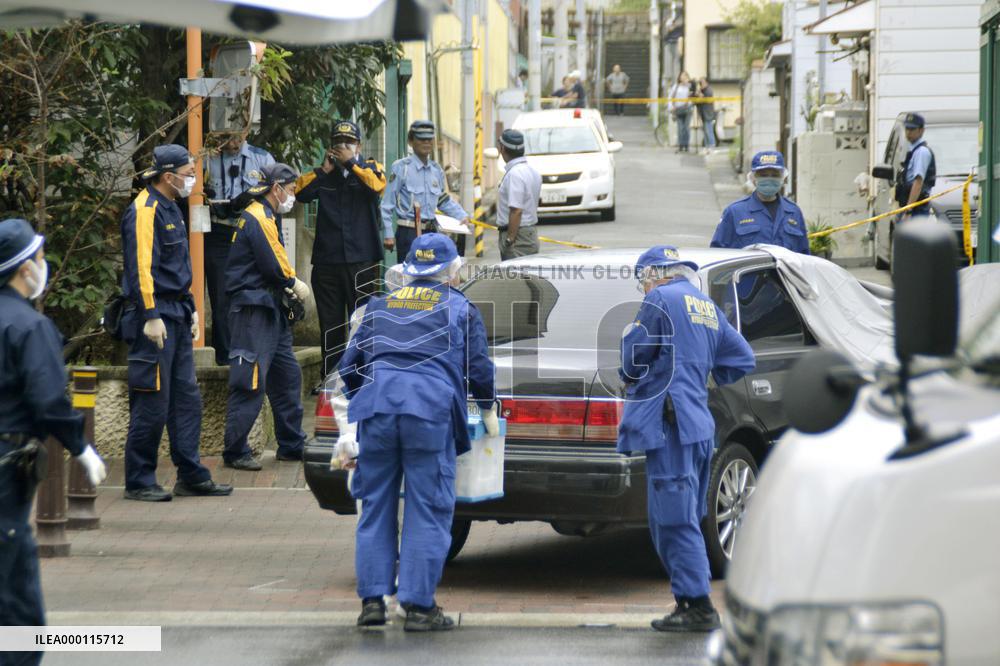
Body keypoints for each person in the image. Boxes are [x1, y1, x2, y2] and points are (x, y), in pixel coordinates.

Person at [339, 233, 496, 632]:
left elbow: (348, 367)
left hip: (377, 411)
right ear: (451, 271)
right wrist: (488, 407)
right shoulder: (459, 307)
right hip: (429, 413)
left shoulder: (380, 306)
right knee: (428, 508)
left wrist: (369, 398)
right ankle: (419, 606)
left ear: (409, 270)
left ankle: (372, 603)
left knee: (375, 506)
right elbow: (478, 369)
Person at [618, 245, 754, 632]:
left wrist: (631, 353)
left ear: (653, 275)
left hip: (671, 425)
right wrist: (703, 377)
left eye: (641, 281)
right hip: (697, 425)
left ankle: (698, 606)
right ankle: (689, 602)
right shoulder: (705, 304)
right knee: (684, 516)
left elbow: (634, 358)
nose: (643, 290)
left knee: (673, 519)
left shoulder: (660, 298)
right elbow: (742, 358)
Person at [0, 218, 108, 666]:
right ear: (25, 268)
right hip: (7, 469)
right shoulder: (29, 326)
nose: (43, 265)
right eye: (40, 258)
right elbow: (48, 398)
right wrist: (81, 447)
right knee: (17, 605)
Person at [120, 144, 233, 501]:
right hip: (154, 319)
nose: (192, 180)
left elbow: (177, 267)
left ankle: (191, 473)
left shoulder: (171, 206)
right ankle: (139, 480)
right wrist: (150, 315)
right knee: (152, 400)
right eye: (187, 174)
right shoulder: (145, 210)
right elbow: (141, 269)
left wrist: (192, 309)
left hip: (178, 315)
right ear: (167, 177)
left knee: (186, 400)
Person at [222, 164, 311, 470]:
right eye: (291, 189)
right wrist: (294, 284)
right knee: (250, 380)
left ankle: (290, 443)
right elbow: (274, 264)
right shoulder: (258, 216)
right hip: (253, 310)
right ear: (277, 188)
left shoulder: (269, 215)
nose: (293, 195)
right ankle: (234, 450)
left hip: (270, 308)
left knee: (287, 376)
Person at [296, 120, 389, 377]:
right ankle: (333, 380)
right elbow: (299, 193)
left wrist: (351, 163)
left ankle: (365, 376)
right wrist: (323, 171)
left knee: (363, 322)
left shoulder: (370, 169)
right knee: (331, 326)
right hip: (328, 264)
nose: (344, 148)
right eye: (338, 144)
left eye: (349, 143)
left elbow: (378, 186)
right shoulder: (325, 175)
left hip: (363, 263)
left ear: (358, 145)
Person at [203, 130, 275, 366]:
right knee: (221, 296)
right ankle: (225, 358)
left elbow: (273, 194)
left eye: (237, 138)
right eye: (227, 138)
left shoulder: (261, 158)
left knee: (251, 292)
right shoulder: (207, 159)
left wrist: (248, 200)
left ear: (245, 133)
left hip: (250, 231)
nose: (232, 143)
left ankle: (251, 353)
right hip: (219, 231)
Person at [382, 120, 471, 265]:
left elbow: (443, 201)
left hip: (431, 234)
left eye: (429, 139)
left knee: (431, 276)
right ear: (411, 141)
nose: (426, 142)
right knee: (410, 277)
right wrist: (388, 234)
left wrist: (462, 215)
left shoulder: (436, 170)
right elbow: (387, 204)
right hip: (409, 232)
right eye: (421, 139)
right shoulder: (401, 168)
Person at [710, 150, 810, 255]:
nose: (769, 179)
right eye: (763, 174)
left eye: (774, 175)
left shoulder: (794, 212)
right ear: (753, 178)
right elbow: (717, 252)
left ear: (782, 178)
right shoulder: (735, 212)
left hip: (784, 272)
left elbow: (804, 256)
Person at [496, 129, 542, 260]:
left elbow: (516, 210)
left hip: (517, 236)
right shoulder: (532, 172)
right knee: (528, 277)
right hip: (529, 233)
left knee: (515, 278)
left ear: (502, 148)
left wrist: (510, 239)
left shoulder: (514, 174)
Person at [895, 112, 936, 219]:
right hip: (909, 206)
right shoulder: (912, 150)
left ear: (921, 130)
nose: (908, 132)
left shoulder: (921, 152)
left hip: (916, 210)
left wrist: (909, 210)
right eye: (907, 129)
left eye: (912, 129)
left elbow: (918, 182)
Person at [668, 72, 694, 153]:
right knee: (680, 128)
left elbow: (693, 97)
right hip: (678, 109)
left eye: (685, 76)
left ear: (687, 78)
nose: (683, 78)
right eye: (682, 76)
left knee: (686, 128)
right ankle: (680, 145)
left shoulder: (690, 86)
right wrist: (671, 107)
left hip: (688, 109)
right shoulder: (676, 87)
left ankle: (686, 145)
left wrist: (690, 86)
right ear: (679, 78)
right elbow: (670, 97)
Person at [694, 78, 717, 151]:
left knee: (709, 130)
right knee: (705, 131)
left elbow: (707, 97)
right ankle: (707, 146)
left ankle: (712, 146)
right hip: (703, 114)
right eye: (700, 83)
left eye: (703, 83)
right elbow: (697, 102)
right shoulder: (701, 91)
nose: (701, 85)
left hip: (708, 113)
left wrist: (701, 95)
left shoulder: (709, 90)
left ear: (706, 83)